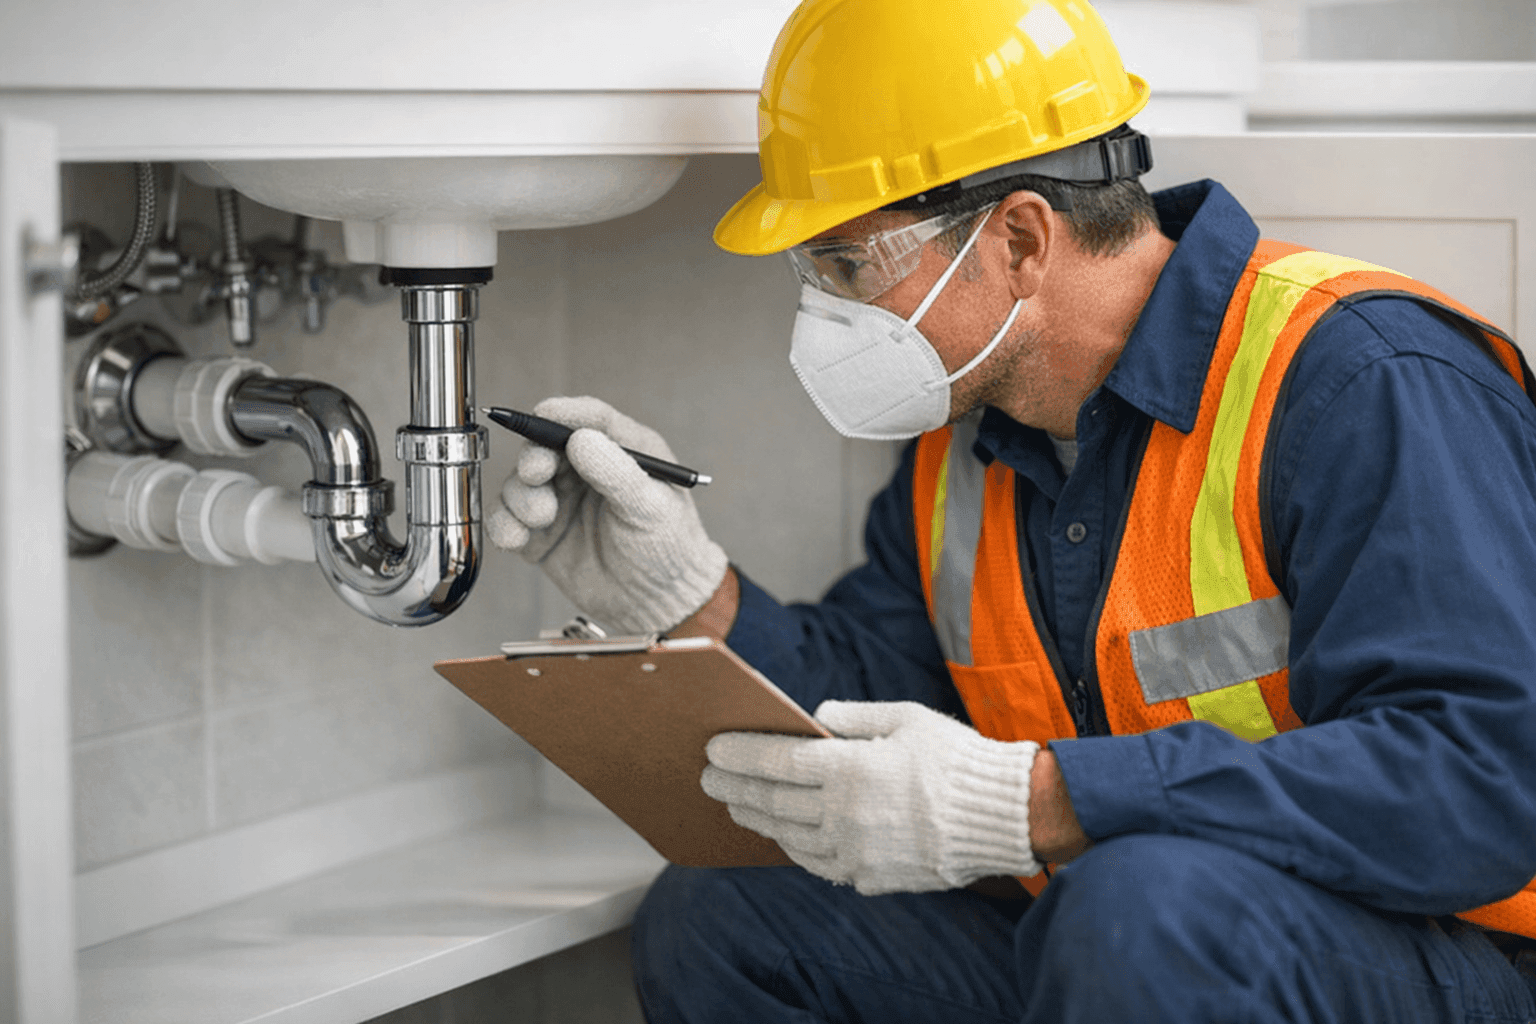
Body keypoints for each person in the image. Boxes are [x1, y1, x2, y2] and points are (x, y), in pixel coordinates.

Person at [485, 0, 1536, 1020]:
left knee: (1134, 909)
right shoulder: (966, 436)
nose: (827, 313)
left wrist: (1039, 801)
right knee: (723, 916)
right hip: (1120, 940)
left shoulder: (1360, 381)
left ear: (1022, 239)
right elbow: (878, 719)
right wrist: (684, 596)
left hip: (1441, 952)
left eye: (848, 264)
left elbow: (1486, 777)